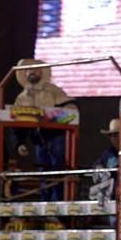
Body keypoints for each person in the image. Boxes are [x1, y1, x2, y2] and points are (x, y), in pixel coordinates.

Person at [13, 58, 78, 201]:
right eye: (29, 69)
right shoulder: (21, 98)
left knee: (58, 169)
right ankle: (46, 204)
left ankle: (57, 203)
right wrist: (20, 143)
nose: (32, 72)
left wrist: (62, 112)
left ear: (42, 72)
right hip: (38, 140)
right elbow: (18, 123)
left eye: (36, 69)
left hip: (56, 136)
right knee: (44, 172)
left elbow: (70, 107)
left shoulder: (53, 90)